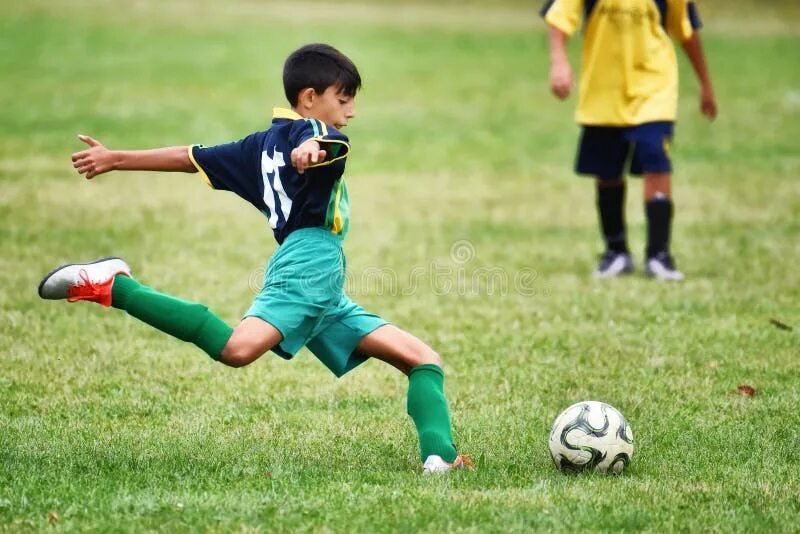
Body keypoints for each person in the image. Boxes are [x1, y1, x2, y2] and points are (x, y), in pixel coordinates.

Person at [38, 43, 472, 474]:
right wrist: (312, 149)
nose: (351, 110)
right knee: (237, 349)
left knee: (422, 360)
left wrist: (117, 158)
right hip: (309, 263)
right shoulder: (312, 134)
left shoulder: (255, 147)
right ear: (309, 98)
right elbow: (324, 144)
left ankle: (440, 456)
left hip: (320, 277)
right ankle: (115, 285)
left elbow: (190, 157)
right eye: (343, 99)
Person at [541, 0, 717, 280]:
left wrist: (705, 84)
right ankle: (616, 252)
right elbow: (559, 17)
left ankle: (659, 255)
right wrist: (559, 60)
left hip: (654, 86)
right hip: (604, 89)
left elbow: (686, 30)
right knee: (607, 170)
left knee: (656, 160)